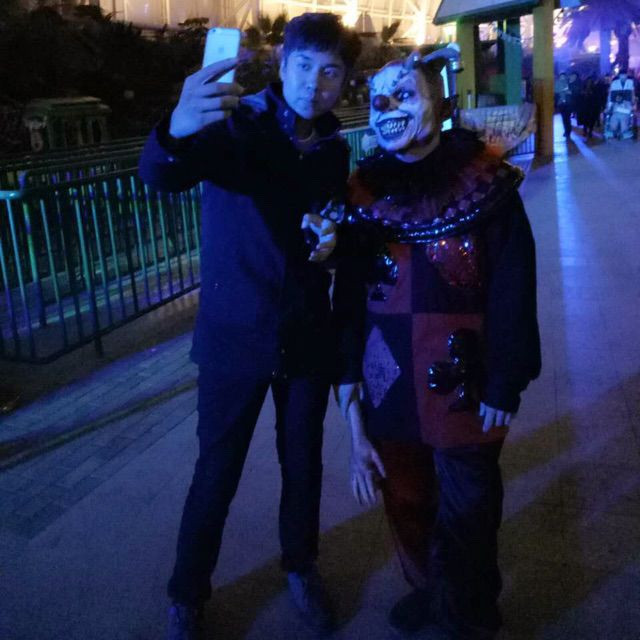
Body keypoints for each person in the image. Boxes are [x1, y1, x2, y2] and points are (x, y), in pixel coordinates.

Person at [138, 13, 361, 640]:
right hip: (235, 335)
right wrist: (176, 127)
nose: (314, 82)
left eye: (330, 71)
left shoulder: (333, 147)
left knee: (304, 465)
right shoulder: (235, 123)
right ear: (282, 63)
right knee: (217, 471)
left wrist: (333, 244)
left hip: (306, 332)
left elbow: (329, 229)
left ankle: (301, 566)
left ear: (343, 81)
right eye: (303, 65)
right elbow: (161, 174)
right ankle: (187, 593)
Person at [333, 54, 541, 639]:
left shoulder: (486, 183)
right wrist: (348, 379)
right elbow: (349, 296)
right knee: (408, 499)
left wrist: (505, 378)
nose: (389, 110)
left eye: (404, 95)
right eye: (379, 101)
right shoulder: (361, 193)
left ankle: (469, 611)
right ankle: (430, 590)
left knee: (470, 504)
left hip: (463, 380)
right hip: (389, 384)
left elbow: (513, 286)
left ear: (441, 105)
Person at [554, 72, 573, 138]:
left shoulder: (568, 82)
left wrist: (568, 91)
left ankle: (568, 131)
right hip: (561, 103)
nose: (562, 78)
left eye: (563, 77)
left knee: (567, 118)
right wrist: (564, 90)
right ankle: (566, 131)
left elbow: (571, 91)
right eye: (561, 77)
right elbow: (555, 90)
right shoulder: (557, 83)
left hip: (568, 103)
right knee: (564, 118)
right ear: (559, 77)